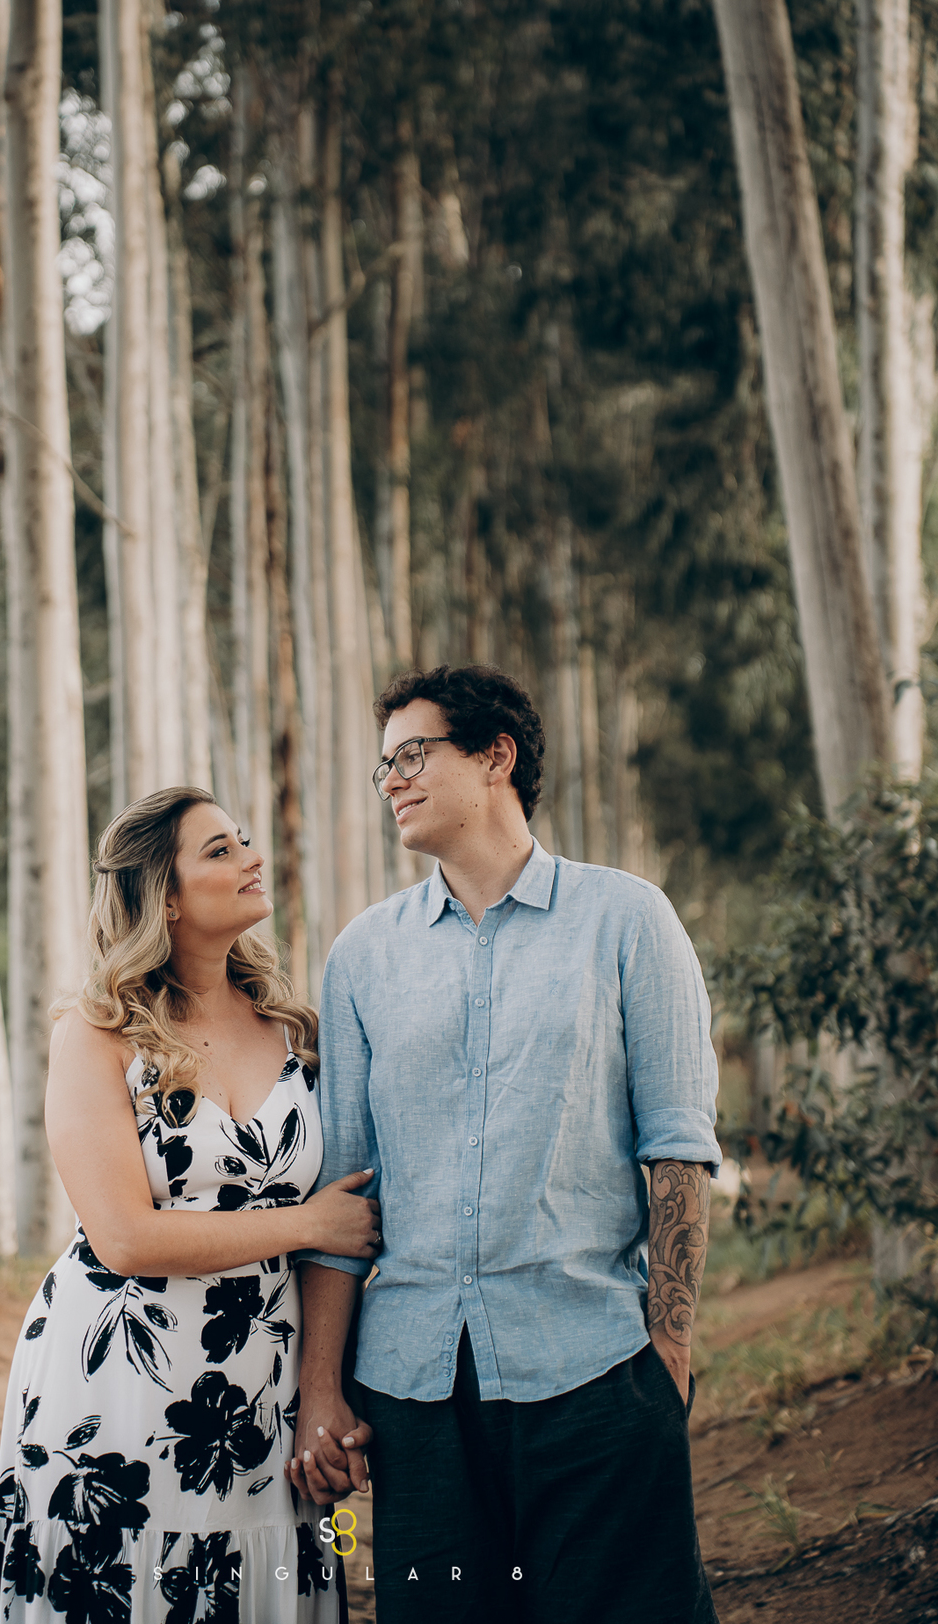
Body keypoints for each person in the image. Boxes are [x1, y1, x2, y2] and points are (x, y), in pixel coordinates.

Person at [288, 665, 721, 1624]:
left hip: (595, 1371)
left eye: (414, 754)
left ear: (496, 758)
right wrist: (322, 1389)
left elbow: (680, 1151)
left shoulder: (628, 920)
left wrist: (668, 1356)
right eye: (383, 765)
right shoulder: (364, 954)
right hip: (414, 1388)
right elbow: (342, 1195)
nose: (393, 778)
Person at [0, 786, 380, 1624]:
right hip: (121, 1379)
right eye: (222, 850)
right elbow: (123, 1237)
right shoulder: (96, 1033)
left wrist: (324, 1385)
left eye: (244, 841)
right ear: (163, 893)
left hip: (266, 1380)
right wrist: (308, 1224)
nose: (252, 858)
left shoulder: (296, 1029)